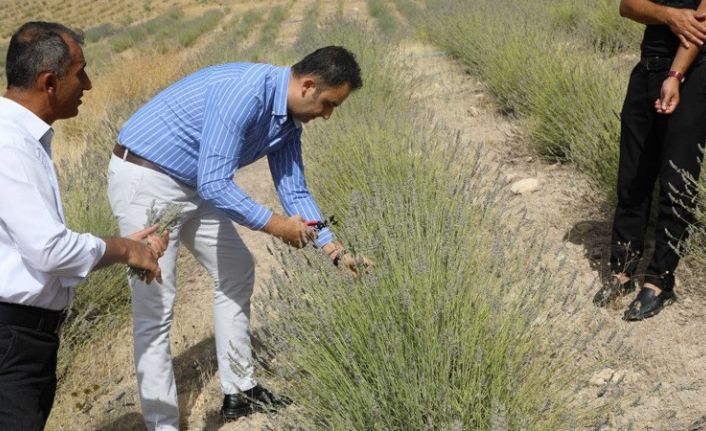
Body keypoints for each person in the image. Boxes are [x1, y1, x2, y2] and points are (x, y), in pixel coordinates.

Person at [107, 46, 372, 428]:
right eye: (329, 104)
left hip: (193, 183)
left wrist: (335, 250)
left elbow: (295, 191)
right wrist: (275, 224)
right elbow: (216, 183)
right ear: (309, 86)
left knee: (236, 268)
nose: (328, 115)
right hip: (148, 177)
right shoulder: (246, 91)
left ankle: (239, 389)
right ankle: (162, 424)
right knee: (155, 304)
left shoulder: (288, 120)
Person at [0, 22, 168, 431]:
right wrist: (127, 250)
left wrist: (121, 245)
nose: (88, 84)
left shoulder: (19, 137)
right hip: (12, 340)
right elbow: (49, 250)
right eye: (81, 72)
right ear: (50, 82)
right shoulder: (11, 145)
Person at [593, 0, 706, 320]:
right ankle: (623, 270)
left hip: (692, 73)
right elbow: (628, 6)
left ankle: (659, 281)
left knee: (677, 179)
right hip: (647, 67)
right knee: (632, 176)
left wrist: (675, 75)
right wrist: (670, 15)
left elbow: (700, 23)